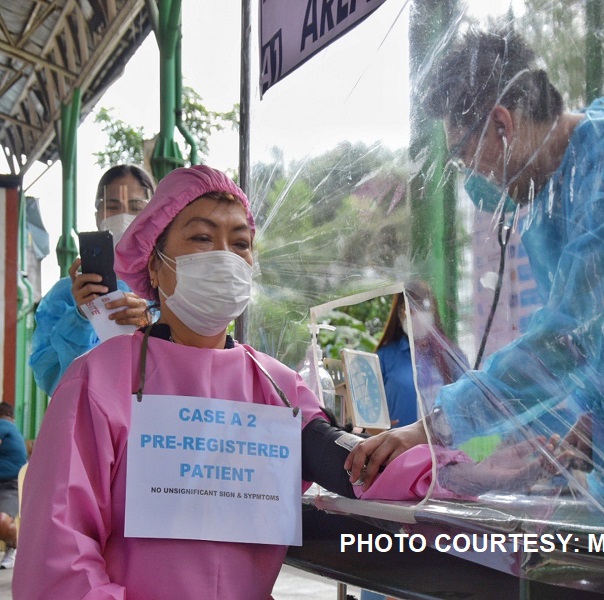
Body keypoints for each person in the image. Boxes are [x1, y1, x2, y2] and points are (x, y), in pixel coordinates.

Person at [347, 27, 604, 507]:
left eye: (462, 157)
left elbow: (569, 338)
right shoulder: (550, 200)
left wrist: (434, 428)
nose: (471, 178)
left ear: (502, 123)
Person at [13, 165, 361, 599]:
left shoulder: (277, 387)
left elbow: (353, 463)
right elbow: (58, 559)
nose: (225, 257)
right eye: (201, 238)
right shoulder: (97, 383)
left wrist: (420, 445)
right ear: (153, 266)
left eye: (240, 244)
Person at [29, 164, 156, 396]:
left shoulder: (167, 286)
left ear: (152, 216)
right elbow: (53, 379)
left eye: (136, 207)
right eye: (112, 206)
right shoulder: (66, 295)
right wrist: (80, 317)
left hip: (150, 420)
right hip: (88, 419)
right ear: (98, 215)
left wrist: (153, 327)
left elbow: (186, 361)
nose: (123, 215)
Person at [375, 280, 467, 427]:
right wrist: (378, 426)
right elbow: (369, 409)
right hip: (398, 446)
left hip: (442, 447)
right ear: (399, 316)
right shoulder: (385, 357)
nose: (417, 315)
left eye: (423, 307)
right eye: (409, 309)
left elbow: (468, 400)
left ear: (433, 312)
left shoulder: (450, 354)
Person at [0, 402, 26, 570]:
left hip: (10, 484)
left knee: (2, 522)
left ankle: (19, 547)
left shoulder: (4, 426)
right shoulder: (12, 427)